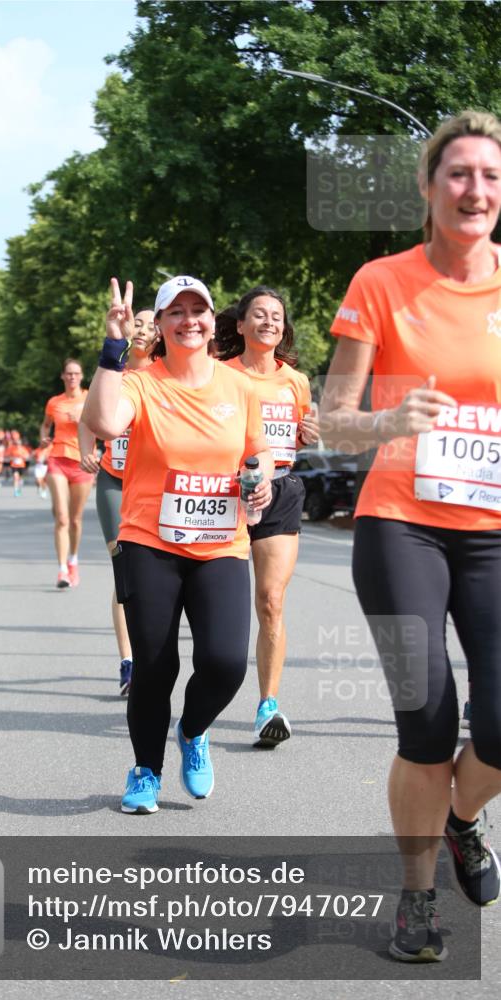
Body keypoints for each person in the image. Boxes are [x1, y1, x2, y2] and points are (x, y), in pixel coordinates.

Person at [320, 110, 501, 962]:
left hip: (494, 532)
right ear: (428, 189)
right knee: (424, 721)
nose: (475, 189)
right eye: (458, 174)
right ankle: (418, 899)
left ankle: (463, 819)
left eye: (489, 176)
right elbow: (331, 424)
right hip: (399, 528)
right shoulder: (379, 281)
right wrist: (389, 416)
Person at [82, 276, 273, 814]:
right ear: (161, 326)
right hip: (150, 541)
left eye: (200, 310)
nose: (190, 320)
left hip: (221, 544)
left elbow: (259, 457)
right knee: (155, 664)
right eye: (177, 312)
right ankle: (145, 769)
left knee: (226, 662)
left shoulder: (240, 388)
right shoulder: (143, 382)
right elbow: (101, 421)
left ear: (216, 322)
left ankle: (192, 729)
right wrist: (114, 346)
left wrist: (258, 482)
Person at [216, 288, 319, 747]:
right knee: (222, 609)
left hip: (281, 492)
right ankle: (209, 689)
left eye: (276, 316)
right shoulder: (220, 375)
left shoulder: (295, 381)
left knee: (271, 601)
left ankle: (268, 706)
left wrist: (307, 433)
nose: (269, 322)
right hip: (230, 493)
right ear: (240, 325)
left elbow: (299, 435)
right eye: (259, 314)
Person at [79, 306, 156, 696]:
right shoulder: (116, 372)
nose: (142, 330)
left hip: (152, 486)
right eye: (137, 323)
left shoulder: (165, 377)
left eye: (149, 324)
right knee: (123, 567)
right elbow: (86, 417)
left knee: (151, 572)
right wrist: (85, 450)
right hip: (114, 479)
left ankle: (153, 653)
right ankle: (129, 661)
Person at [40, 359, 95, 589]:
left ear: (81, 377)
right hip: (58, 459)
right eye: (68, 374)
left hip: (82, 463)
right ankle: (62, 570)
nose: (72, 377)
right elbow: (45, 425)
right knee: (62, 517)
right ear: (63, 376)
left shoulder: (91, 398)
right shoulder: (54, 402)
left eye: (76, 373)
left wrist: (83, 418)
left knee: (75, 519)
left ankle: (73, 560)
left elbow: (103, 426)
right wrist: (44, 437)